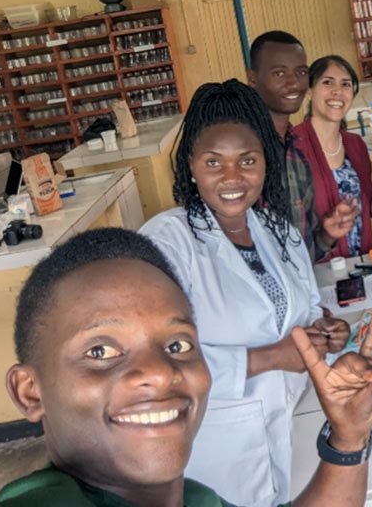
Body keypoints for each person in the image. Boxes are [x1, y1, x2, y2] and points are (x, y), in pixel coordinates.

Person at [0, 227, 372, 507]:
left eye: (177, 344)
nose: (159, 372)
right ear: (30, 391)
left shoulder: (198, 500)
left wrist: (347, 438)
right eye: (100, 351)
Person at [139, 80, 350, 507]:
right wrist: (270, 357)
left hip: (291, 422)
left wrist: (323, 328)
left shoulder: (277, 231)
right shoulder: (167, 242)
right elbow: (149, 359)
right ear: (192, 165)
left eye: (247, 160)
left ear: (265, 163)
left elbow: (305, 307)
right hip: (213, 449)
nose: (232, 178)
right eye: (214, 162)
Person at [247, 31, 357, 261]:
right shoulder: (244, 154)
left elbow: (303, 253)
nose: (293, 83)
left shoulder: (295, 154)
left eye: (301, 72)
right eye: (279, 73)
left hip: (303, 290)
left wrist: (326, 235)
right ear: (253, 78)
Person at [292, 55, 372, 259]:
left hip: (361, 263)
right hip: (318, 268)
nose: (337, 92)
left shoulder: (354, 144)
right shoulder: (293, 146)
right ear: (310, 91)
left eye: (345, 84)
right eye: (328, 82)